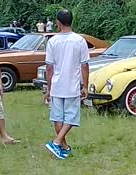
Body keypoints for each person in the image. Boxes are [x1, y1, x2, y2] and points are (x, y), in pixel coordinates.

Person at [44, 9, 89, 160]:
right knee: (71, 118)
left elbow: (49, 67)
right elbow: (84, 65)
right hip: (72, 85)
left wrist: (49, 88)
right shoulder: (79, 40)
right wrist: (85, 85)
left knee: (58, 117)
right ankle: (58, 143)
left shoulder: (53, 41)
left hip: (57, 85)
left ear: (57, 22)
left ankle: (63, 147)